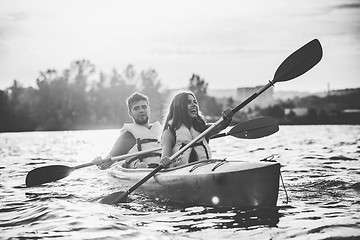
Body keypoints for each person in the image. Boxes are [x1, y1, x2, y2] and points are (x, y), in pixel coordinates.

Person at [160, 90, 233, 168]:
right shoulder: (169, 133)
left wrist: (227, 120)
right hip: (181, 171)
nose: (193, 105)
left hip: (205, 168)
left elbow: (219, 126)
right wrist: (165, 161)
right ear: (179, 107)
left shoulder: (202, 128)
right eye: (188, 102)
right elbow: (165, 157)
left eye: (195, 102)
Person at [93, 92, 162, 169]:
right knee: (142, 166)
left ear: (149, 109)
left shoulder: (162, 132)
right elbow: (105, 165)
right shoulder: (127, 137)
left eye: (144, 107)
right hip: (141, 171)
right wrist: (99, 162)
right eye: (136, 108)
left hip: (164, 168)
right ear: (130, 113)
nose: (141, 110)